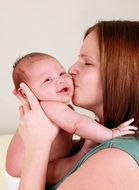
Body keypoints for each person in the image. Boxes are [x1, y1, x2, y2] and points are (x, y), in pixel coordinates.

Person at [7, 20, 139, 190]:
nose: (71, 70)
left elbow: (78, 124)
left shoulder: (117, 160)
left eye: (87, 62)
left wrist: (37, 147)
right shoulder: (105, 143)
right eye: (47, 79)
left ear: (123, 76)